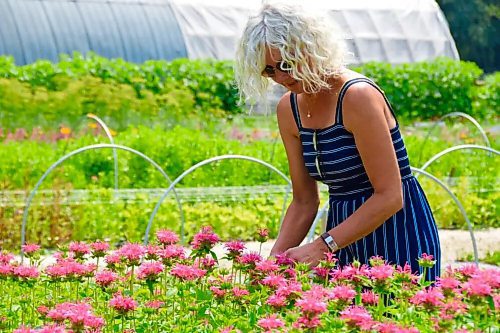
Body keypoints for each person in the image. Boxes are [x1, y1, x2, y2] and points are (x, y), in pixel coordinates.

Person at [234, 2, 441, 281]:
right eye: (269, 71)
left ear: (310, 48)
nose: (281, 78)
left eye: (286, 64)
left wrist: (323, 245)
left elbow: (390, 196)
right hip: (342, 233)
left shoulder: (356, 97)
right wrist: (272, 268)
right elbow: (304, 201)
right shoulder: (289, 110)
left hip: (398, 230)